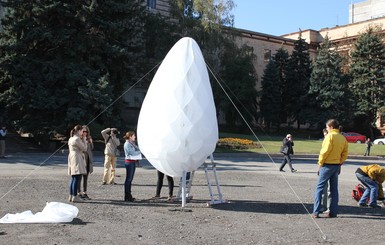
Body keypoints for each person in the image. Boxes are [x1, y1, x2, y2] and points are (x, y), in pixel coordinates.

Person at [312, 119, 348, 218]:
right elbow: (345, 153)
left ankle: (316, 211)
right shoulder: (342, 138)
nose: (327, 129)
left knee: (319, 188)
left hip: (327, 165)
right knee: (334, 190)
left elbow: (325, 151)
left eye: (327, 127)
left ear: (331, 127)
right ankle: (333, 212)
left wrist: (320, 164)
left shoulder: (329, 136)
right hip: (336, 165)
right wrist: (340, 163)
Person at [68, 125, 87, 202]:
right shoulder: (77, 139)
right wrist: (84, 139)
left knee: (73, 177)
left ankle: (71, 195)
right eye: (82, 131)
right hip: (77, 157)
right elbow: (84, 148)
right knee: (77, 177)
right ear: (79, 131)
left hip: (72, 156)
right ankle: (75, 196)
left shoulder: (71, 138)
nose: (83, 132)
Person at [123, 131, 141, 202]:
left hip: (132, 162)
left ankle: (128, 195)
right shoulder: (127, 144)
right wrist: (141, 151)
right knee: (128, 179)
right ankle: (127, 195)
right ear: (130, 136)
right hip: (129, 163)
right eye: (133, 136)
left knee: (130, 179)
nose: (135, 137)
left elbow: (137, 149)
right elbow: (132, 153)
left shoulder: (132, 143)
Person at [77, 125, 94, 199]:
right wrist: (84, 142)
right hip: (82, 159)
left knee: (85, 177)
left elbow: (92, 148)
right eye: (83, 131)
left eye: (86, 131)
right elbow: (82, 149)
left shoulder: (89, 138)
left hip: (88, 159)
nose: (85, 133)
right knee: (79, 177)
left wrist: (91, 142)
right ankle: (79, 192)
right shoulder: (79, 139)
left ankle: (85, 192)